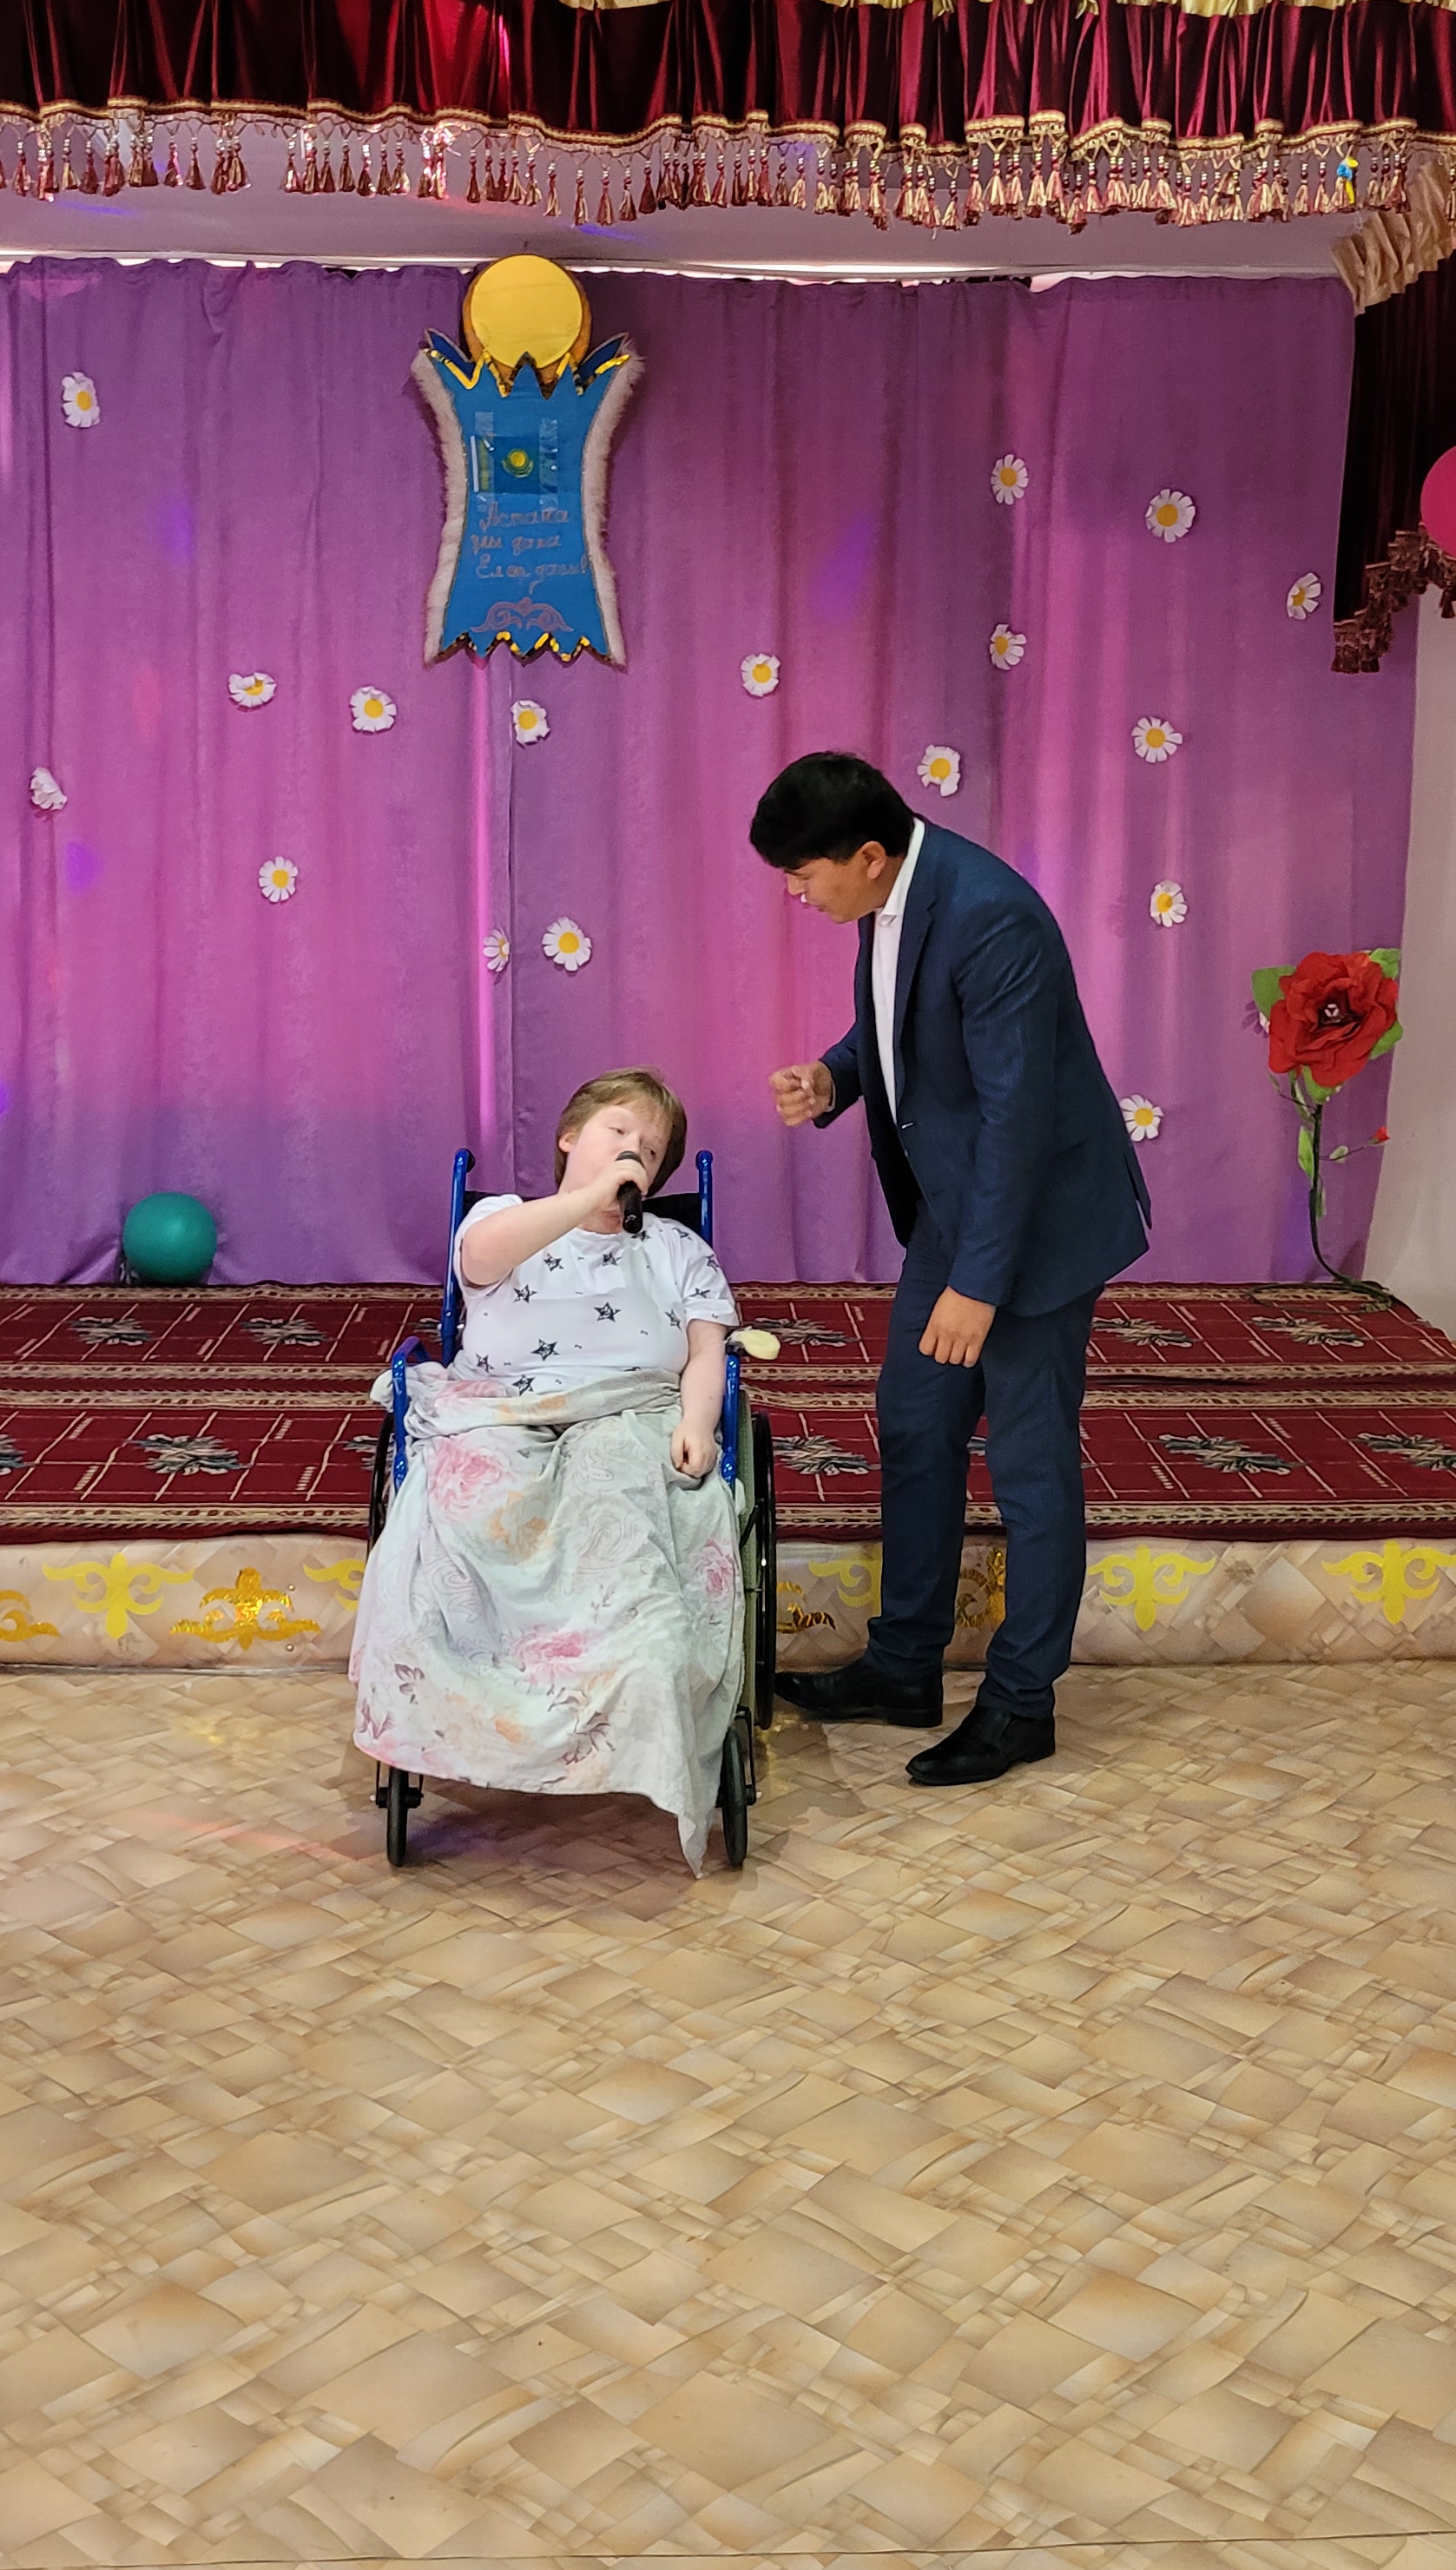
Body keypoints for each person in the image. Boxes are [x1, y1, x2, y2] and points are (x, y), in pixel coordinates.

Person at [751, 753, 1150, 1786]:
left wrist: (979, 1285)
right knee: (918, 1423)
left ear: (867, 857)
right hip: (961, 1207)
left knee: (1028, 1462)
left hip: (1038, 1224)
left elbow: (1019, 1118)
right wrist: (834, 1077)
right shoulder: (894, 896)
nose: (796, 893)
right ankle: (904, 1664)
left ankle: (1021, 1702)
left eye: (802, 874)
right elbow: (899, 1020)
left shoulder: (992, 917)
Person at [349, 1069, 745, 1871]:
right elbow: (482, 1258)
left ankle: (639, 1684)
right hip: (498, 1409)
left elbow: (708, 1351)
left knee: (620, 1528)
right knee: (470, 1506)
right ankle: (468, 1696)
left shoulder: (677, 1249)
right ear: (569, 1137)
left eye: (650, 1151)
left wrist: (698, 1425)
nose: (633, 1152)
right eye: (617, 1133)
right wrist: (587, 1200)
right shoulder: (503, 1218)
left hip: (627, 1415)